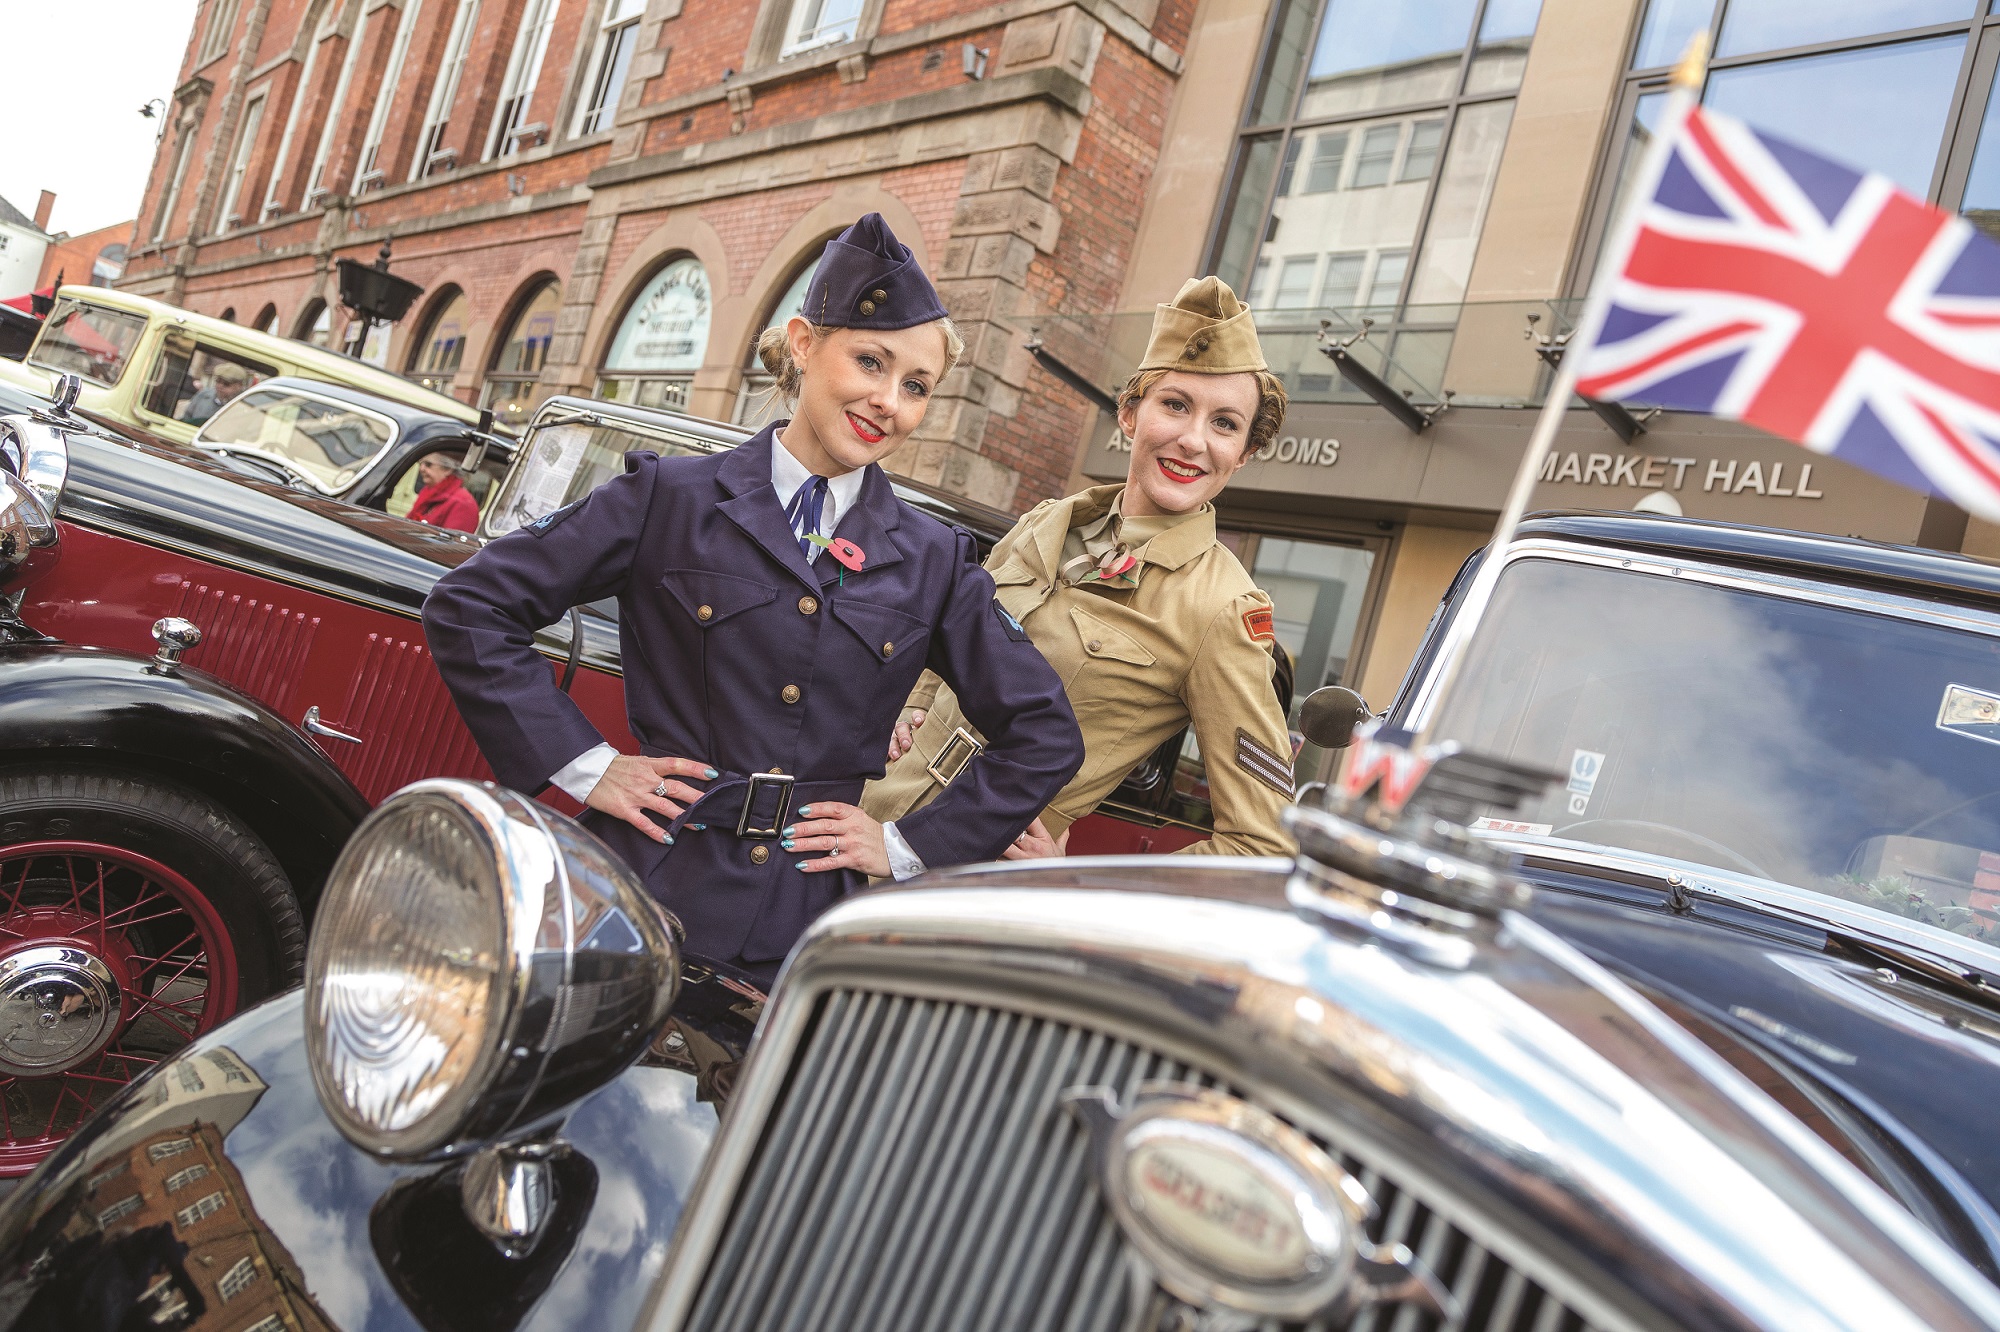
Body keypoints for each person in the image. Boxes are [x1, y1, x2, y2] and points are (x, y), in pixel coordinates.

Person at [423, 213, 1083, 986]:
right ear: (804, 344)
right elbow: (470, 606)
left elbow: (1043, 732)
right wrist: (586, 765)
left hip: (802, 931)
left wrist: (908, 845)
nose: (888, 402)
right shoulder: (667, 499)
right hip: (636, 892)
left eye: (916, 387)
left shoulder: (932, 560)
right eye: (869, 362)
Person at [864, 276, 1297, 859]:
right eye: (1175, 405)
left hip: (965, 888)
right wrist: (909, 707)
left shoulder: (1222, 610)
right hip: (862, 816)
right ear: (1129, 413)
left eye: (1224, 424)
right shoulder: (1046, 523)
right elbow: (952, 640)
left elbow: (1262, 846)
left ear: (1243, 454)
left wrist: (1071, 880)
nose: (1194, 440)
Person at [408, 452, 479, 531]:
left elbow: (452, 541)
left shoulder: (463, 503)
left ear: (447, 469)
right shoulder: (427, 493)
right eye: (420, 463)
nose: (421, 468)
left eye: (428, 464)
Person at [179, 361, 249, 425]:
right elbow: (187, 417)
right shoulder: (203, 395)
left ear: (239, 386)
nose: (220, 386)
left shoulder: (244, 406)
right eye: (218, 381)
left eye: (226, 384)